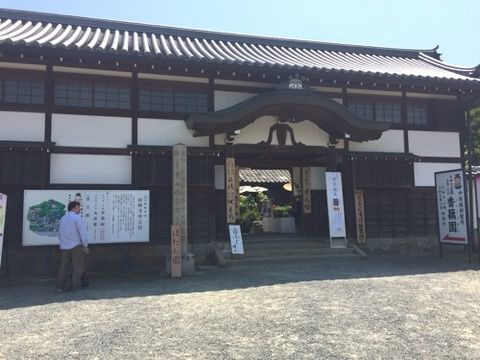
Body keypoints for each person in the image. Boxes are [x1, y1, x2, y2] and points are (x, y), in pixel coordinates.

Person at [56, 201, 89, 292]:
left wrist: (62, 242)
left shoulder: (63, 218)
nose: (79, 209)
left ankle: (60, 286)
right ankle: (76, 286)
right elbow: (82, 232)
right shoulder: (77, 218)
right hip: (76, 245)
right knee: (77, 266)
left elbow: (59, 232)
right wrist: (85, 245)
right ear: (73, 208)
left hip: (64, 246)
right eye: (78, 207)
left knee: (64, 266)